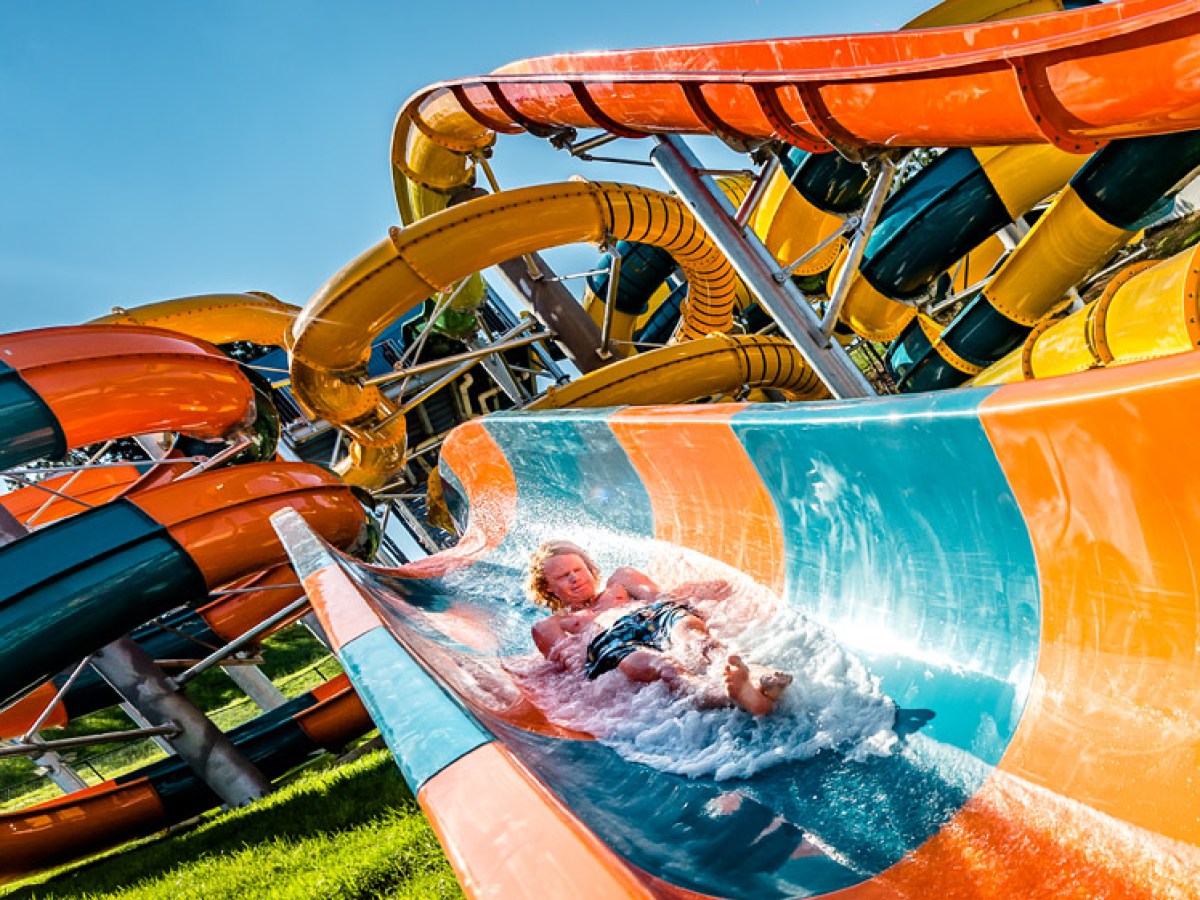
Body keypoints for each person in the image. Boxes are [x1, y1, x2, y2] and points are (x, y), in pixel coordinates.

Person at [526, 540, 792, 716]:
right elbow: (576, 669)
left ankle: (759, 679)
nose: (575, 579)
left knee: (698, 641)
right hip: (611, 643)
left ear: (588, 568)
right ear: (547, 586)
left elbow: (660, 598)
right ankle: (732, 695)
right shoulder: (550, 625)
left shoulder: (620, 580)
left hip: (653, 615)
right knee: (665, 667)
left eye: (577, 569)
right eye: (563, 576)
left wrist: (694, 601)